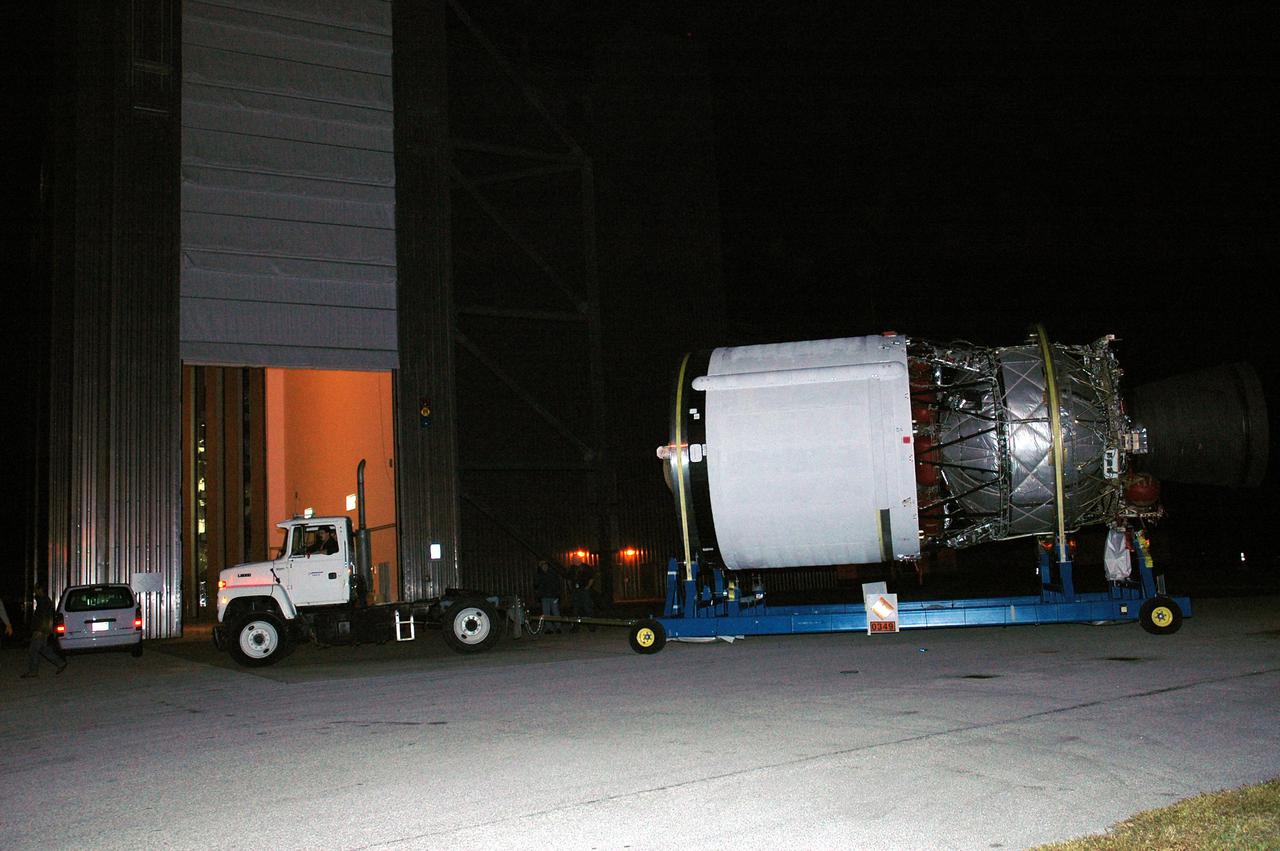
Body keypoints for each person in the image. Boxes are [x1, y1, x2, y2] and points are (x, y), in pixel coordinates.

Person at [22, 584, 66, 679]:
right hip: (42, 630)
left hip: (40, 630)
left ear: (40, 590)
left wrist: (41, 630)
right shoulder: (44, 601)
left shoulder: (44, 601)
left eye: (36, 590)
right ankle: (60, 663)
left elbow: (45, 618)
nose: (35, 592)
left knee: (33, 650)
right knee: (43, 649)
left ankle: (33, 671)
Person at [534, 559, 564, 635]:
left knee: (556, 612)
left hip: (553, 596)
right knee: (546, 613)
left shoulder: (552, 573)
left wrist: (558, 595)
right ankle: (549, 628)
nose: (544, 567)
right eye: (542, 566)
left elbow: (557, 584)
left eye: (545, 565)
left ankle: (558, 627)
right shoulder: (539, 575)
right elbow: (536, 584)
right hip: (544, 596)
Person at [570, 557, 597, 633]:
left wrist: (587, 587)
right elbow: (569, 578)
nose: (574, 561)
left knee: (587, 608)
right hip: (575, 591)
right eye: (573, 560)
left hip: (584, 590)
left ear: (579, 560)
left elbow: (592, 578)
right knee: (575, 609)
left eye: (575, 560)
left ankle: (592, 626)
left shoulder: (586, 567)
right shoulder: (572, 568)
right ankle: (575, 627)